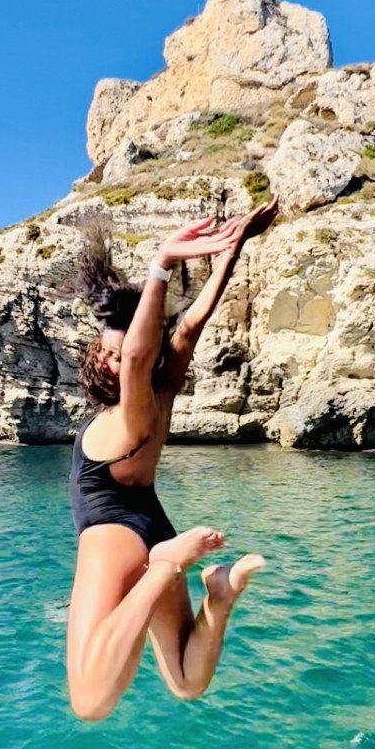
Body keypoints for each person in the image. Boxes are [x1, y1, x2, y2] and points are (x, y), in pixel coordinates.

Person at [68, 203, 278, 722]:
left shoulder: (133, 407)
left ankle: (166, 564)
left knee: (89, 703)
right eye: (107, 353)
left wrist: (161, 264)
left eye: (121, 357)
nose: (113, 361)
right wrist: (234, 247)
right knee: (186, 683)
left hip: (115, 531)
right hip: (153, 520)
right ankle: (220, 597)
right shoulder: (164, 387)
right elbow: (193, 322)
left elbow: (139, 357)